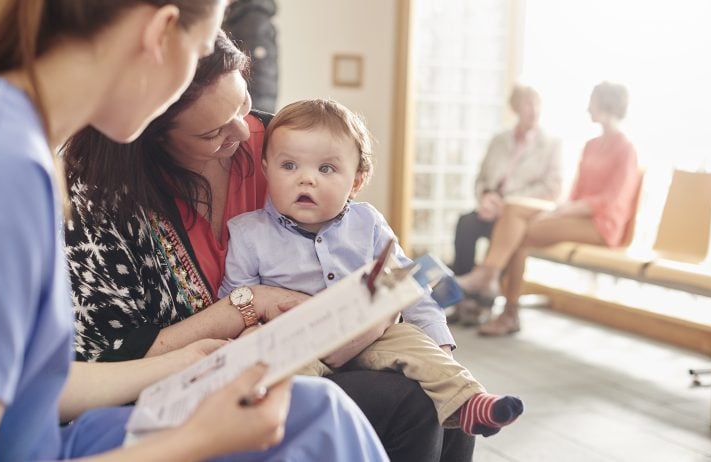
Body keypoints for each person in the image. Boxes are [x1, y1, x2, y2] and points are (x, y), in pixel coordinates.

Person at [0, 2, 387, 461]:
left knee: (320, 410)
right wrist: (197, 440)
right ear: (161, 34)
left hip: (44, 435)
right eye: (200, 48)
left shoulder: (11, 132)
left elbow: (32, 386)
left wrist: (192, 362)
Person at [64, 32, 476, 462]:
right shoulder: (99, 205)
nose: (244, 132)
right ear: (149, 135)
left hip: (349, 341)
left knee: (454, 406)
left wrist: (377, 316)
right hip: (215, 377)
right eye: (213, 132)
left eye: (241, 103)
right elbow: (106, 361)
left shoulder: (286, 146)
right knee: (405, 402)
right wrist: (251, 303)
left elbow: (375, 255)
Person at [220, 98, 524, 436]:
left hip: (371, 336)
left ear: (356, 180)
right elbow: (233, 302)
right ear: (265, 169)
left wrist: (440, 347)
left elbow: (409, 286)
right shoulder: (248, 233)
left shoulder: (368, 223)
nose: (306, 180)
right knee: (278, 366)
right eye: (288, 166)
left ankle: (469, 401)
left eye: (326, 169)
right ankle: (303, 432)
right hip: (296, 340)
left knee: (412, 340)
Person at [457, 81, 642, 336]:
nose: (588, 107)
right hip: (576, 215)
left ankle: (493, 287)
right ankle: (496, 290)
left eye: (592, 101)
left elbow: (614, 199)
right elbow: (577, 189)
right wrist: (563, 208)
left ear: (605, 104)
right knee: (514, 213)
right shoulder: (591, 145)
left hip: (603, 225)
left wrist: (570, 209)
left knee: (519, 234)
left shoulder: (626, 149)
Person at [449, 84, 562, 325]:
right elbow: (481, 178)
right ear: (515, 108)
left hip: (520, 214)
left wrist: (509, 203)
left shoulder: (551, 144)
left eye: (537, 104)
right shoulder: (500, 140)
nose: (533, 110)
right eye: (527, 104)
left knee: (506, 234)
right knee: (465, 225)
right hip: (492, 207)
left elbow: (552, 189)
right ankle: (461, 298)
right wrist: (486, 196)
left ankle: (484, 302)